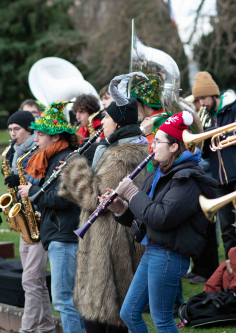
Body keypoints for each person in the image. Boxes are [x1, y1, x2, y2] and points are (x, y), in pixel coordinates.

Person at [104, 111, 217, 333]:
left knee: (162, 319)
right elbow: (145, 217)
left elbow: (160, 217)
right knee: (129, 312)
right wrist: (120, 208)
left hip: (168, 254)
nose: (152, 146)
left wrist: (133, 194)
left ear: (174, 147)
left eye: (157, 141)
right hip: (154, 250)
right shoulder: (159, 171)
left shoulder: (187, 179)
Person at [59, 73, 148, 333]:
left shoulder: (119, 157)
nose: (103, 121)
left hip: (108, 246)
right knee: (109, 317)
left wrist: (75, 166)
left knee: (101, 317)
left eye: (107, 117)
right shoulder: (122, 150)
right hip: (113, 243)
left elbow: (93, 197)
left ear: (118, 123)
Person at [18, 102, 84, 333]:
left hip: (64, 236)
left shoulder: (68, 160)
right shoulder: (52, 158)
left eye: (40, 134)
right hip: (56, 232)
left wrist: (33, 193)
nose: (35, 139)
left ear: (55, 138)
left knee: (65, 299)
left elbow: (66, 199)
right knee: (64, 299)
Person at [3, 110, 57, 333]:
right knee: (36, 283)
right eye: (10, 130)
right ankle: (46, 327)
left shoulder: (37, 151)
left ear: (29, 130)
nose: (12, 134)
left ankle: (27, 329)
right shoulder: (15, 153)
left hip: (39, 220)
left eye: (17, 129)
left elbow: (43, 181)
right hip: (26, 220)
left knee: (31, 280)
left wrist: (23, 180)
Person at [192, 72, 236, 283]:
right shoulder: (206, 116)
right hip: (219, 180)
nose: (201, 103)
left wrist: (224, 136)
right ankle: (233, 274)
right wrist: (204, 143)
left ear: (213, 95)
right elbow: (206, 153)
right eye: (198, 100)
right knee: (226, 230)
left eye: (203, 98)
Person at [131, 76, 169, 171]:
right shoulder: (153, 120)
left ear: (146, 105)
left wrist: (149, 135)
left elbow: (157, 160)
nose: (135, 109)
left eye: (137, 105)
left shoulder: (163, 123)